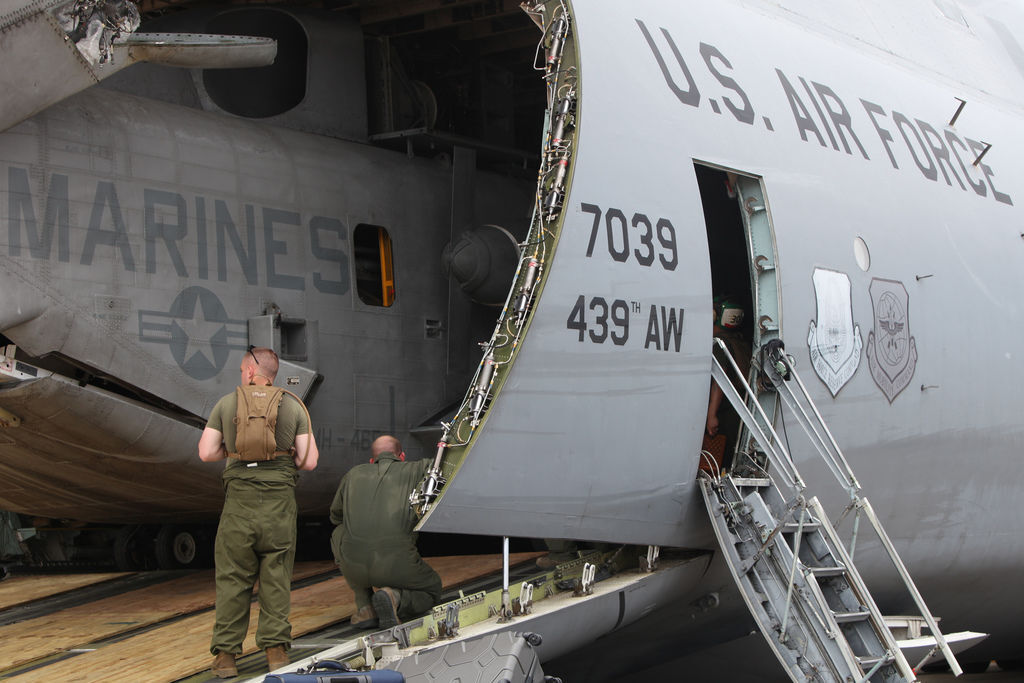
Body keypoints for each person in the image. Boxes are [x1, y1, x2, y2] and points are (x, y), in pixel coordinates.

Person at [198, 347, 319, 679]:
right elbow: (309, 461)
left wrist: (232, 451)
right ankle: (276, 652)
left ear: (251, 371)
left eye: (241, 370)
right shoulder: (293, 405)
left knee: (233, 579)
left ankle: (225, 657)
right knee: (276, 578)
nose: (240, 375)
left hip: (239, 507)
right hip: (278, 507)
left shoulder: (227, 404)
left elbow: (206, 452)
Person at [330, 435, 441, 630]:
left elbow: (335, 516)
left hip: (354, 568)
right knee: (431, 589)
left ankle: (365, 606)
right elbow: (444, 464)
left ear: (372, 460)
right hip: (398, 565)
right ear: (402, 456)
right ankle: (395, 597)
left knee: (339, 532)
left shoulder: (353, 474)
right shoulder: (417, 468)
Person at [705, 296, 752, 471]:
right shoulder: (740, 342)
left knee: (717, 455)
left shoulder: (719, 344)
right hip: (740, 406)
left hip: (726, 409)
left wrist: (712, 414)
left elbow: (720, 379)